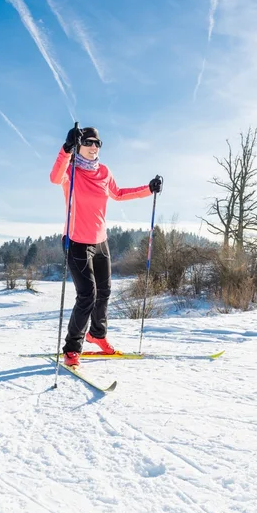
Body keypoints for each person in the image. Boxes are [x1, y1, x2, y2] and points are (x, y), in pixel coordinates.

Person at [50, 125, 162, 367]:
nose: (93, 147)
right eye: (88, 142)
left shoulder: (104, 172)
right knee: (87, 295)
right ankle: (71, 348)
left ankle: (97, 335)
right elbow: (54, 177)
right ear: (80, 144)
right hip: (75, 241)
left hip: (100, 242)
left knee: (105, 292)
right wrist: (66, 148)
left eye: (97, 144)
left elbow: (119, 194)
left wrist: (148, 189)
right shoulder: (70, 170)